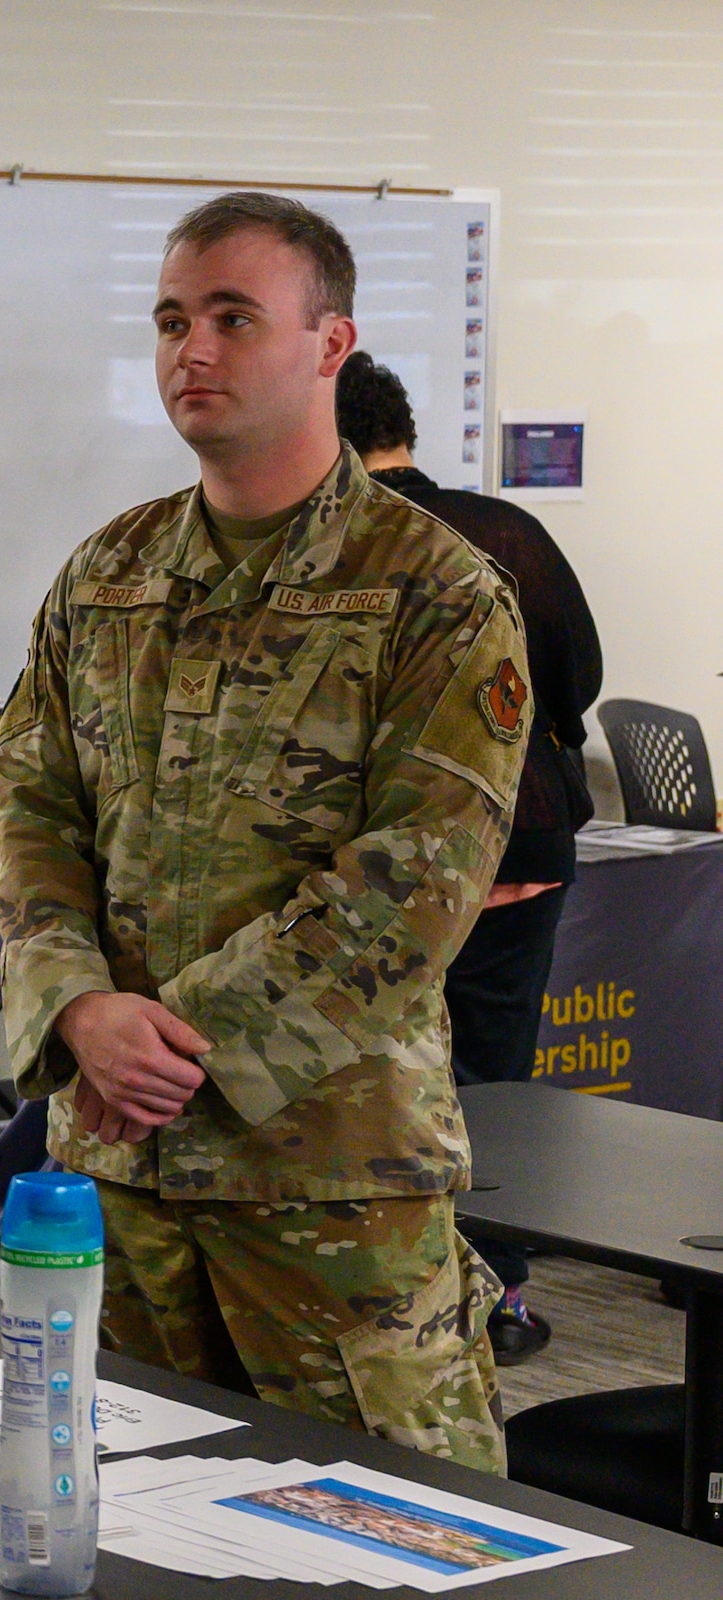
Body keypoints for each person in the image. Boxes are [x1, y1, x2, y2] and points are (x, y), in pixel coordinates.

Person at [0, 192, 531, 1475]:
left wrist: (177, 1044)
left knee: (395, 1537)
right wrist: (75, 1009)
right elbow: (30, 810)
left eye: (233, 317)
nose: (193, 350)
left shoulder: (435, 593)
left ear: (329, 343)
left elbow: (417, 882)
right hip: (117, 1183)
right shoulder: (104, 576)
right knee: (126, 1526)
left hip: (327, 1186)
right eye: (173, 319)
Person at [338, 350, 603, 1366]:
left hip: (391, 868)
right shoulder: (507, 530)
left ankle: (392, 1296)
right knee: (493, 1083)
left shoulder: (342, 547)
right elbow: (573, 675)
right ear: (401, 425)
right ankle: (499, 1296)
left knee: (377, 1083)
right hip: (519, 847)